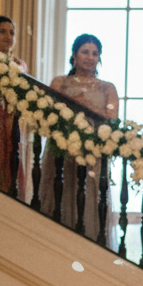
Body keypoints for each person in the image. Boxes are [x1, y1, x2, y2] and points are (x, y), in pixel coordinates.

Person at [39, 33, 119, 241]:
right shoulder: (60, 82)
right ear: (74, 55)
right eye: (85, 52)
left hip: (93, 151)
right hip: (63, 147)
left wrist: (86, 103)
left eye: (95, 53)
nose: (90, 57)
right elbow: (49, 109)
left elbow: (112, 118)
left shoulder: (107, 87)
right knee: (61, 190)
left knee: (89, 195)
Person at [0, 15, 29, 198]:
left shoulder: (19, 65)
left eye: (12, 33)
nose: (8, 37)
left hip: (10, 123)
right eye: (2, 32)